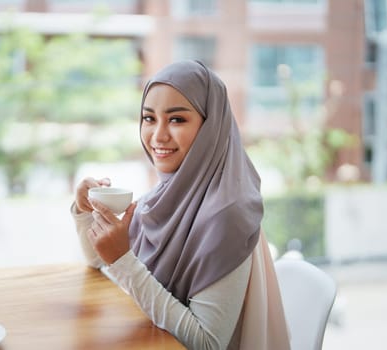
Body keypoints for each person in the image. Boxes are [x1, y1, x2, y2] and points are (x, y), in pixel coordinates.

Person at [71, 60, 291, 350]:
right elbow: (99, 262)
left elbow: (207, 343)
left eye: (177, 119)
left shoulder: (227, 215)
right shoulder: (166, 196)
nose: (158, 136)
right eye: (149, 118)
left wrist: (124, 261)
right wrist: (85, 211)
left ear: (211, 127)